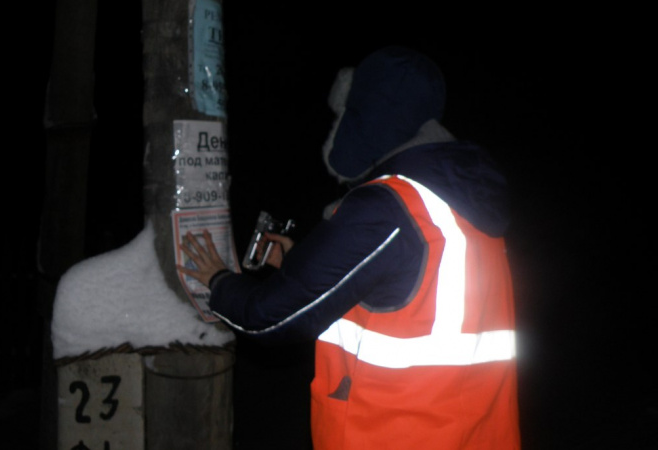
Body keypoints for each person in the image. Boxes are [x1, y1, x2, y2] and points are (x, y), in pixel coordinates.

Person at [178, 46, 521, 449]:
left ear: (367, 114)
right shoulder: (461, 201)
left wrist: (218, 283)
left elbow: (270, 318)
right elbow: (409, 297)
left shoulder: (388, 206)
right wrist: (302, 263)